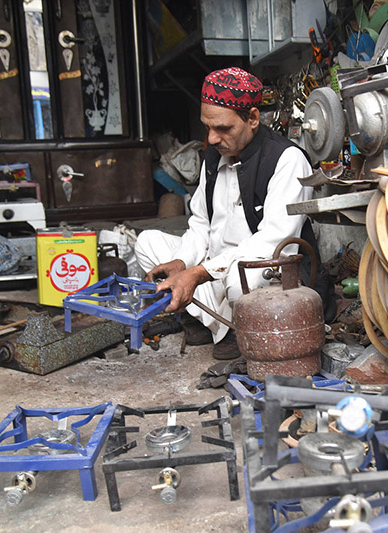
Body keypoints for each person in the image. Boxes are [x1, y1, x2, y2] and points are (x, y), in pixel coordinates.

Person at [135, 66, 322, 360]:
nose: (211, 139)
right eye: (207, 127)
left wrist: (196, 274)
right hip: (213, 271)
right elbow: (200, 223)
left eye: (223, 129)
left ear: (252, 119)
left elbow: (273, 241)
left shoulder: (287, 160)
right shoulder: (215, 156)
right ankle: (210, 324)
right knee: (146, 243)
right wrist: (182, 262)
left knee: (241, 279)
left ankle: (234, 330)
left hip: (261, 273)